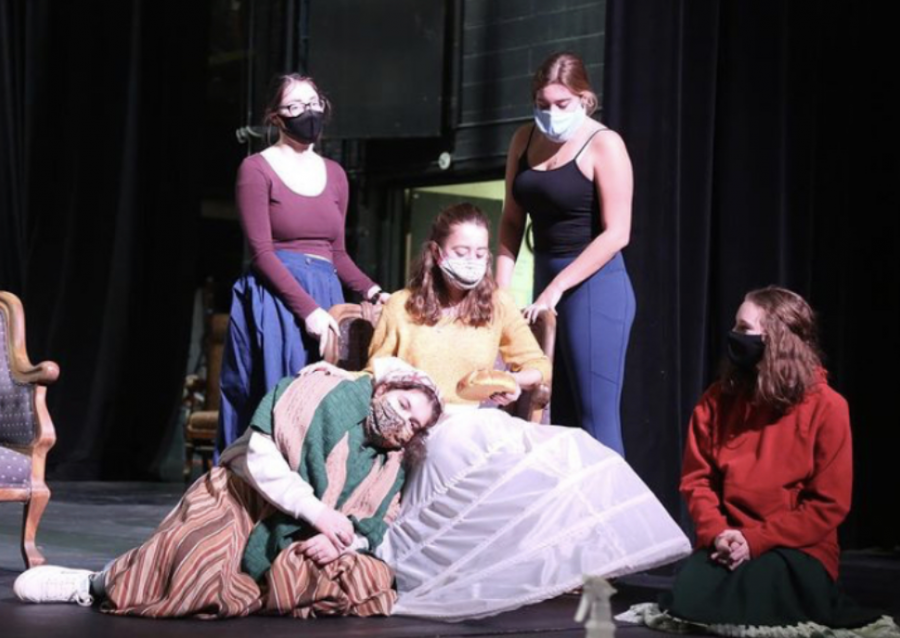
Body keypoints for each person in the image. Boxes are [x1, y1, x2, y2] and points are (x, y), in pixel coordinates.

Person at [363, 203, 690, 621]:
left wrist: (515, 382)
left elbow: (537, 364)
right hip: (423, 424)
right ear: (436, 253)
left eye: (481, 253)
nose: (473, 262)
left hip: (477, 419)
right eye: (461, 252)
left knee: (569, 451)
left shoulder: (495, 304)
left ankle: (568, 573)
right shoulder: (402, 306)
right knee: (457, 452)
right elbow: (375, 369)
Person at [14, 360, 442, 619]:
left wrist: (344, 544)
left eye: (414, 426)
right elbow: (259, 453)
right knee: (195, 568)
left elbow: (378, 521)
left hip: (304, 536)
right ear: (385, 387)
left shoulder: (394, 462)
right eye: (403, 405)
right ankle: (97, 583)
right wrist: (317, 513)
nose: (403, 424)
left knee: (368, 579)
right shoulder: (325, 391)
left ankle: (259, 581)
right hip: (244, 496)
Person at [620, 287, 899, 637]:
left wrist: (756, 540)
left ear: (778, 339)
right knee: (690, 594)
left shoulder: (828, 407)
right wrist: (719, 534)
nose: (734, 337)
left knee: (760, 593)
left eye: (744, 327)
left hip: (796, 548)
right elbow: (697, 481)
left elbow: (828, 504)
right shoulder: (717, 401)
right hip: (728, 542)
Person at [218, 73, 390, 451]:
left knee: (316, 407)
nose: (307, 113)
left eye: (313, 104)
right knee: (272, 400)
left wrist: (374, 291)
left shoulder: (336, 175)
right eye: (295, 106)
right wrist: (308, 311)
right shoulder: (257, 169)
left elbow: (338, 254)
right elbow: (261, 252)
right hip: (277, 299)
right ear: (276, 117)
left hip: (325, 296)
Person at [496, 51, 635, 455]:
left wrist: (555, 289)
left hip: (595, 289)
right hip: (546, 286)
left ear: (584, 99)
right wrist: (501, 292)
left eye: (562, 105)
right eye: (542, 105)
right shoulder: (523, 139)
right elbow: (510, 220)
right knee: (562, 423)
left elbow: (618, 233)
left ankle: (614, 519)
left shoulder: (604, 143)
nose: (551, 113)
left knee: (597, 422)